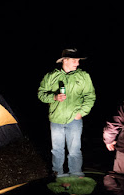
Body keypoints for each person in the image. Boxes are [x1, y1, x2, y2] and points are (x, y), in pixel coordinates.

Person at [38, 48, 96, 177]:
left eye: (78, 60)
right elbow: (41, 94)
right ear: (65, 60)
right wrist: (54, 97)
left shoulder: (83, 76)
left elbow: (90, 96)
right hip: (56, 119)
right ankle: (58, 175)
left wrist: (82, 112)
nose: (78, 63)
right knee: (57, 150)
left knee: (74, 151)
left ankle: (75, 176)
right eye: (75, 60)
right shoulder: (51, 76)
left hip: (74, 120)